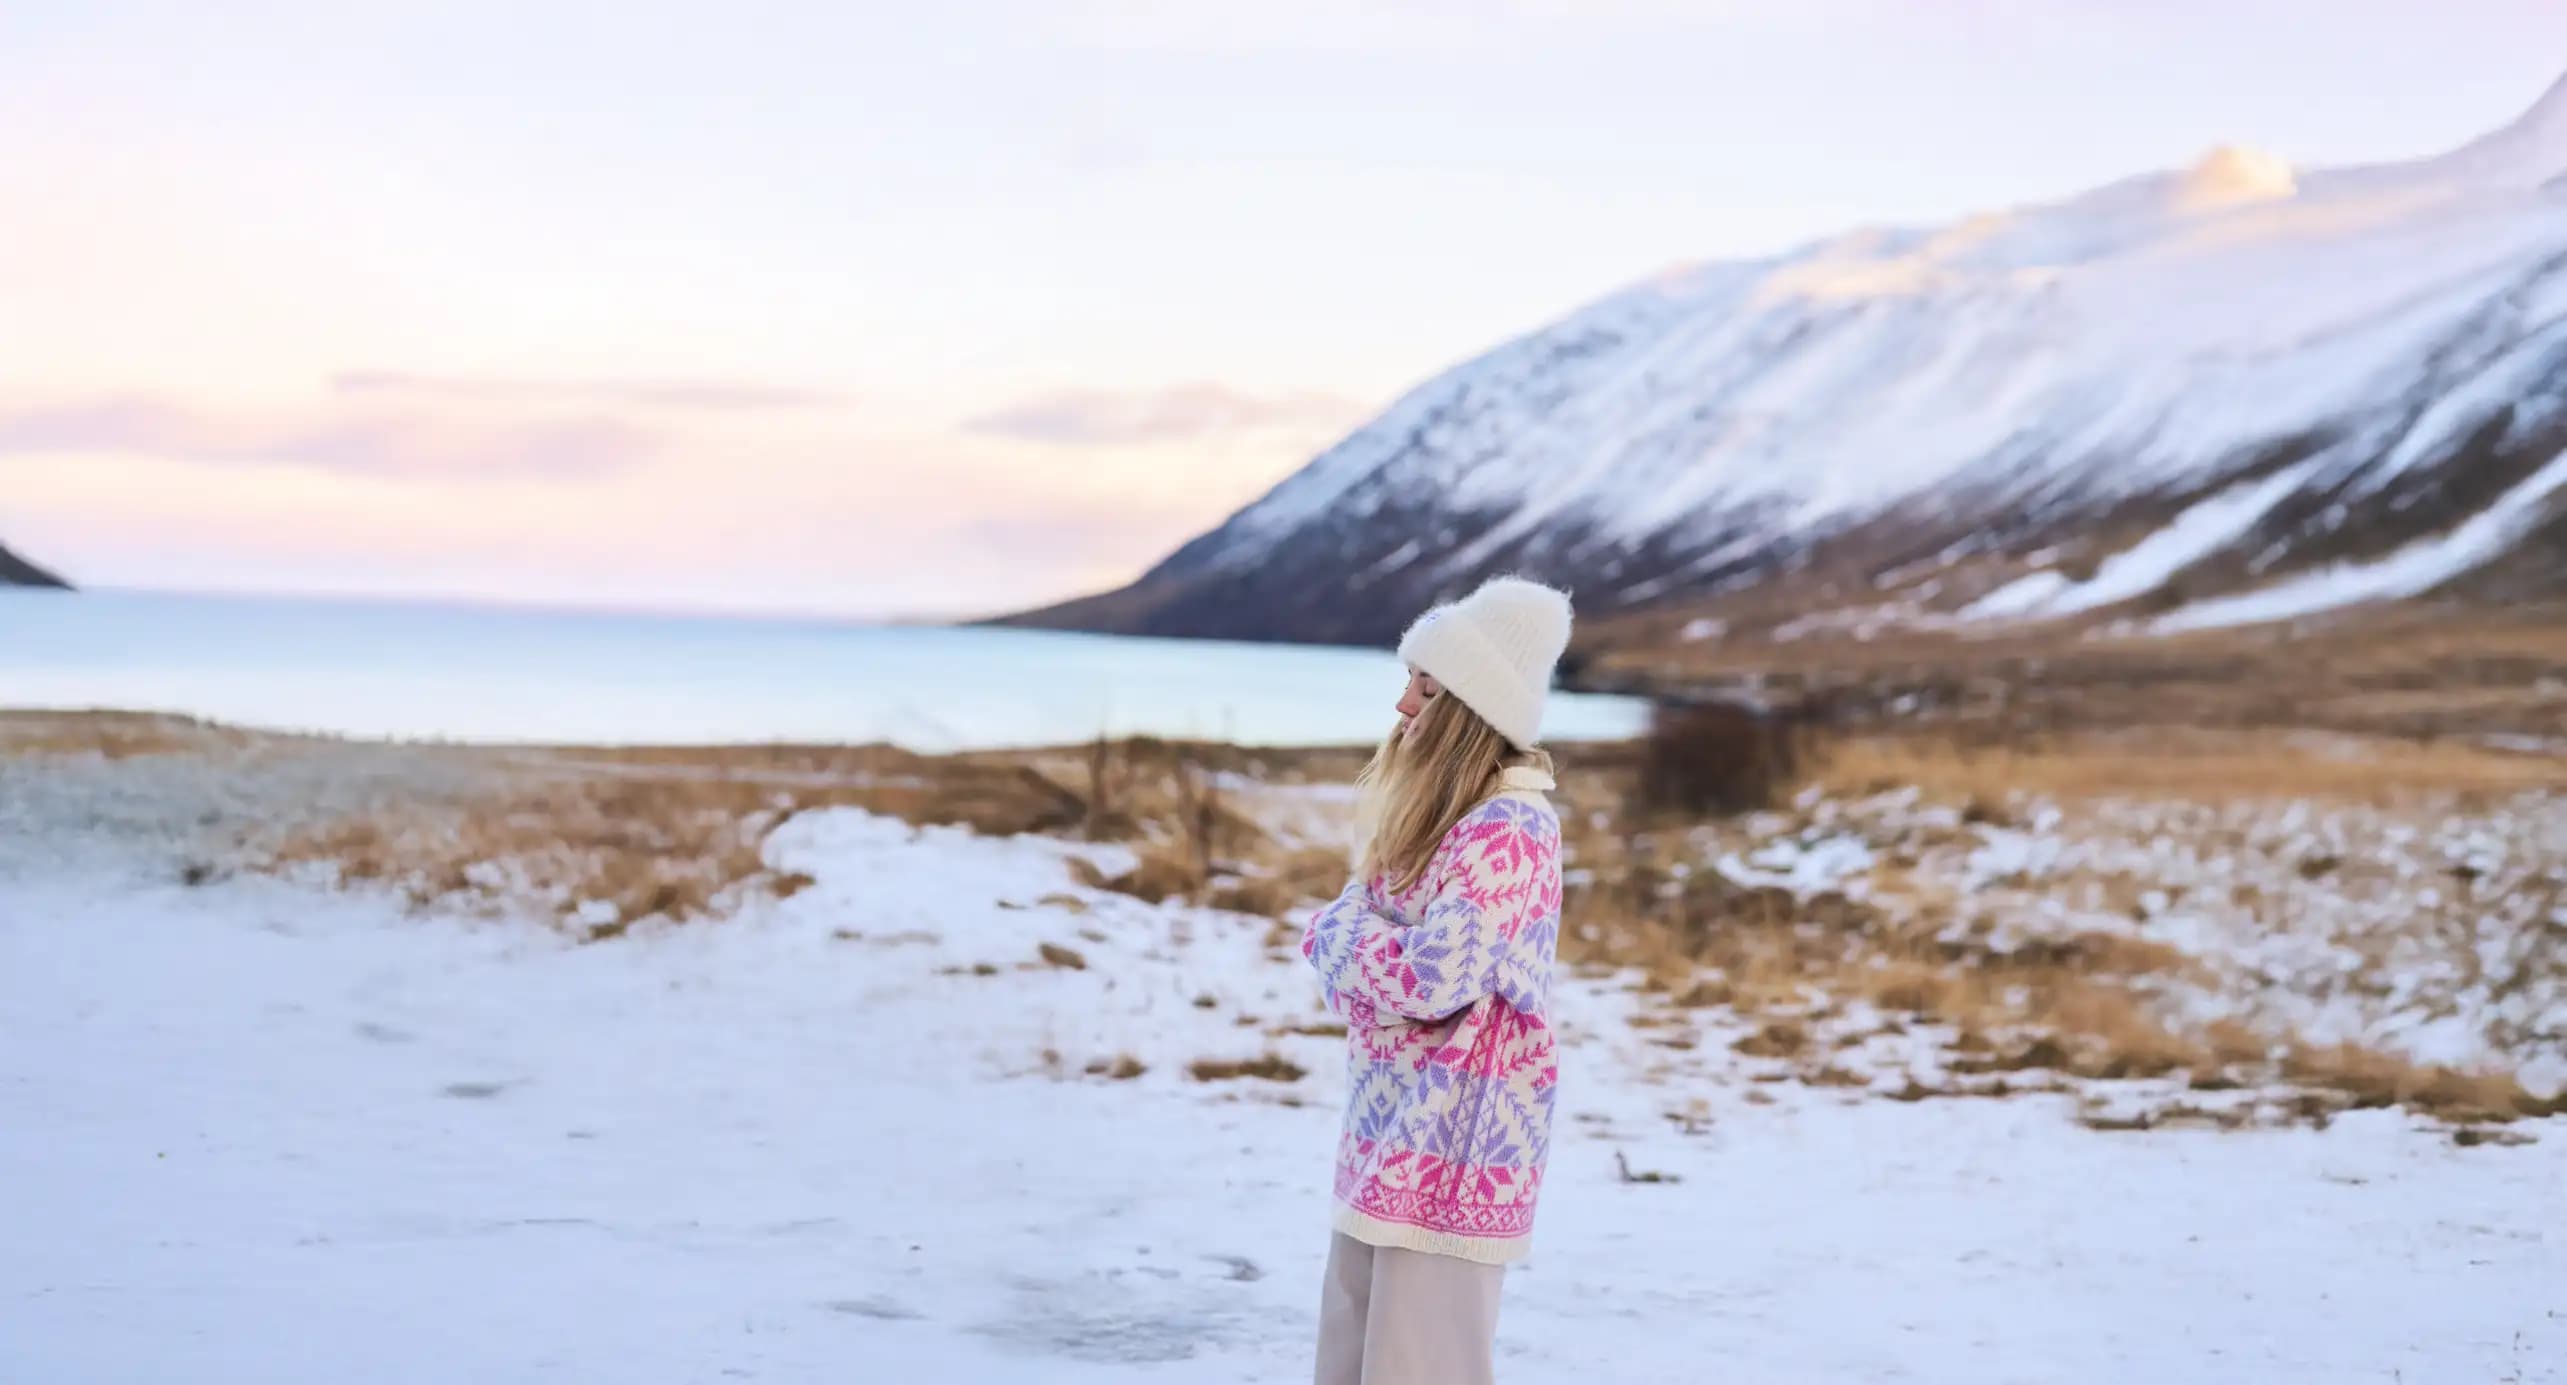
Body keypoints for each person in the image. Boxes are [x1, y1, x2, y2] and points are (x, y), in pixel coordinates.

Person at [1301, 575, 1572, 1385]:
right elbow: (1355, 985)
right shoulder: (1439, 822)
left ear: (1467, 706)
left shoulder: (1511, 830)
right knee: (1348, 1356)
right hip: (1385, 1131)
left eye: (1425, 685)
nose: (1403, 706)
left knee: (1417, 1368)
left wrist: (1340, 934)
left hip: (1456, 1149)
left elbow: (1426, 977)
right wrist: (1352, 944)